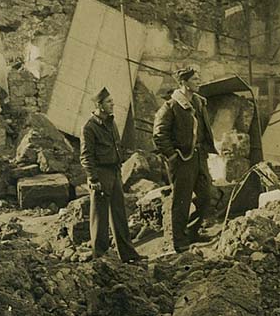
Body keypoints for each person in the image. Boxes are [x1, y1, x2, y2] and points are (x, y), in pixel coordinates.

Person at [153, 66, 216, 253]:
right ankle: (179, 241)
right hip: (181, 160)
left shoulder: (199, 102)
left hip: (199, 157)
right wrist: (172, 155)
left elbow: (203, 129)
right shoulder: (170, 107)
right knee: (181, 201)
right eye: (195, 79)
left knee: (206, 196)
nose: (199, 81)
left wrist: (204, 149)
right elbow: (159, 134)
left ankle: (193, 231)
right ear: (184, 83)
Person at [80, 87, 145, 263]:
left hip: (115, 172)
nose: (113, 104)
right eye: (109, 102)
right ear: (99, 105)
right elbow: (86, 156)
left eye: (112, 101)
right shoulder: (89, 127)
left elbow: (117, 146)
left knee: (119, 214)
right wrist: (93, 179)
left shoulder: (111, 122)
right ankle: (100, 256)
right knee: (99, 218)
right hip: (100, 175)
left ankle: (128, 255)